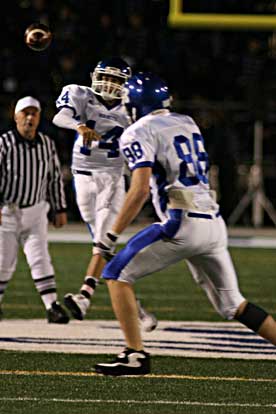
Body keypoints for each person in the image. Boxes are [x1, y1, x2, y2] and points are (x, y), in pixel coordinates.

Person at [94, 72, 276, 376]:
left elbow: (139, 189)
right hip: (213, 224)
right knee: (234, 305)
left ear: (136, 105)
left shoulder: (138, 131)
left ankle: (134, 354)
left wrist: (110, 235)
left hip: (181, 222)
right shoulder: (187, 122)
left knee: (115, 273)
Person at [52, 57, 157, 331]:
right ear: (95, 76)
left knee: (102, 240)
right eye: (106, 77)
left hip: (112, 177)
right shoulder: (80, 94)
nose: (109, 84)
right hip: (82, 177)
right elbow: (59, 116)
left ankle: (85, 296)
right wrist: (79, 126)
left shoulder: (131, 109)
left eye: (116, 80)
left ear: (125, 84)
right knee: (100, 241)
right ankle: (136, 305)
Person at [0, 96, 69, 324]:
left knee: (40, 258)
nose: (29, 118)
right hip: (7, 212)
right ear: (16, 116)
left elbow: (54, 178)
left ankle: (51, 305)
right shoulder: (4, 143)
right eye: (25, 113)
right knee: (3, 262)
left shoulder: (47, 144)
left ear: (39, 118)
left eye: (34, 114)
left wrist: (60, 208)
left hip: (37, 210)